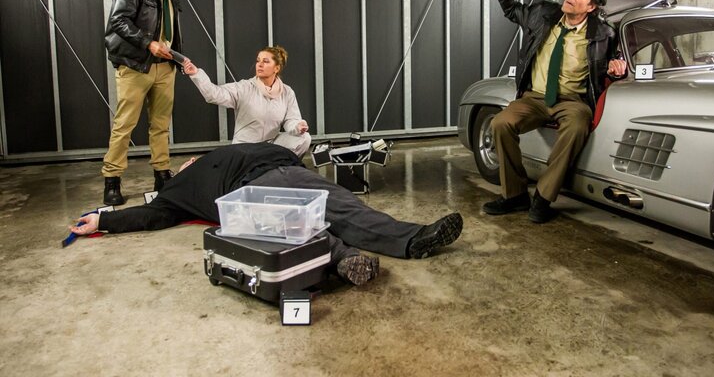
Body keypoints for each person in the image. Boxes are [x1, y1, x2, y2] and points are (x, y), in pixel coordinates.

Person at [70, 142, 463, 286]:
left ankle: (410, 239)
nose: (186, 162)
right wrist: (103, 220)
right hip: (248, 196)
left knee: (341, 206)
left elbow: (288, 150)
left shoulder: (224, 152)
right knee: (295, 228)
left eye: (188, 160)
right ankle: (347, 259)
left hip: (284, 171)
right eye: (180, 164)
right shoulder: (174, 192)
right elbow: (148, 215)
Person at [482, 0, 627, 223]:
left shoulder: (604, 33)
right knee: (500, 123)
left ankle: (543, 197)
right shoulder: (543, 13)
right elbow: (512, 10)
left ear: (591, 7)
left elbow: (616, 62)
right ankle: (515, 195)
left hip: (572, 101)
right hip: (534, 97)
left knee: (577, 125)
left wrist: (618, 68)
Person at [102, 0, 189, 207]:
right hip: (136, 64)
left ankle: (162, 174)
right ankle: (112, 179)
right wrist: (148, 43)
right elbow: (118, 20)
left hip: (165, 66)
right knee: (125, 124)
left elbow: (171, 27)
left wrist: (178, 58)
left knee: (161, 124)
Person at [182, 46, 311, 157]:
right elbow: (214, 94)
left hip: (270, 145)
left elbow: (291, 120)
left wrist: (297, 127)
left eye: (266, 61)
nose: (259, 64)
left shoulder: (287, 92)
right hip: (245, 148)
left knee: (304, 138)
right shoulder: (244, 87)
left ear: (276, 68)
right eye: (258, 61)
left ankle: (282, 167)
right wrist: (196, 74)